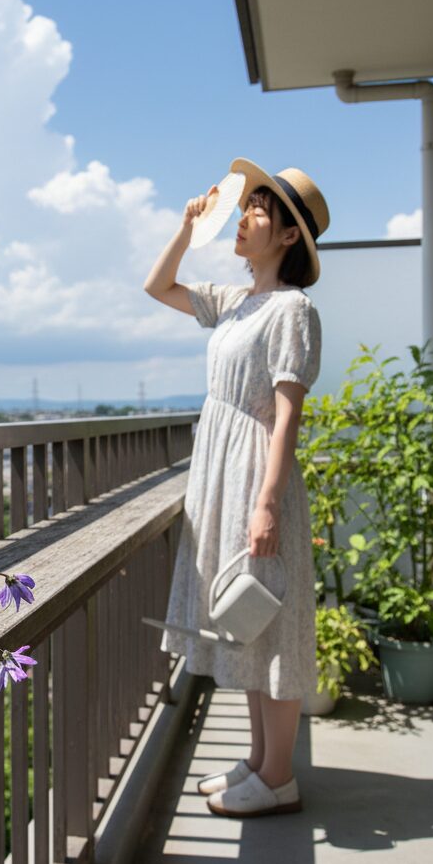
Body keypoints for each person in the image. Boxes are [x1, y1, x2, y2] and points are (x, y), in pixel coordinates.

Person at [143, 157, 329, 819]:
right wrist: (189, 226)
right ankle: (258, 763)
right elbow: (157, 285)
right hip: (222, 474)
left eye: (259, 208)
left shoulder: (291, 309)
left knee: (271, 629)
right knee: (246, 624)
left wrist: (268, 504)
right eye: (247, 204)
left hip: (256, 475)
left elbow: (287, 415)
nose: (244, 216)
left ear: (287, 236)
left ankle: (278, 776)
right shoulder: (234, 300)